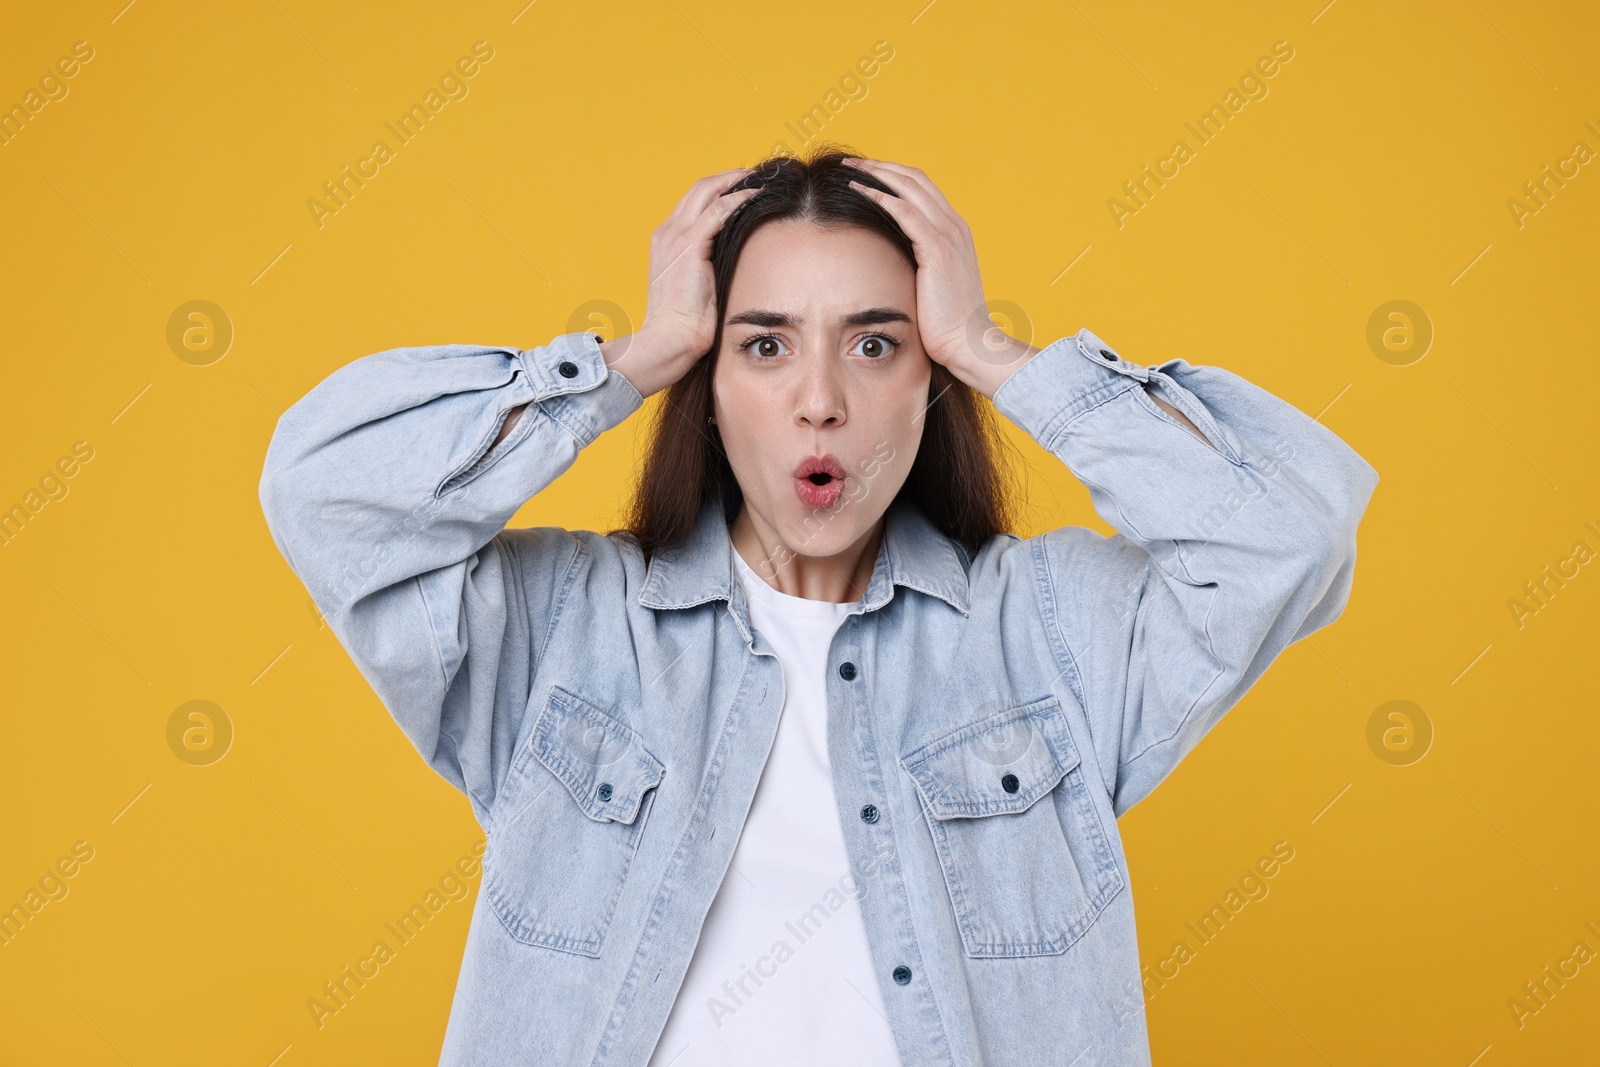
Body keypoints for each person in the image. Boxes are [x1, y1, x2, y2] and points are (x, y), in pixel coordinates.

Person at [258, 144, 1379, 1067]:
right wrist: (631, 358)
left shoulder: (1050, 634)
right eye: (762, 345)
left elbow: (1289, 532)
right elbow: (325, 492)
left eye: (877, 343)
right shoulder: (562, 627)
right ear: (711, 383)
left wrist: (1000, 353)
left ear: (927, 378)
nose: (820, 402)